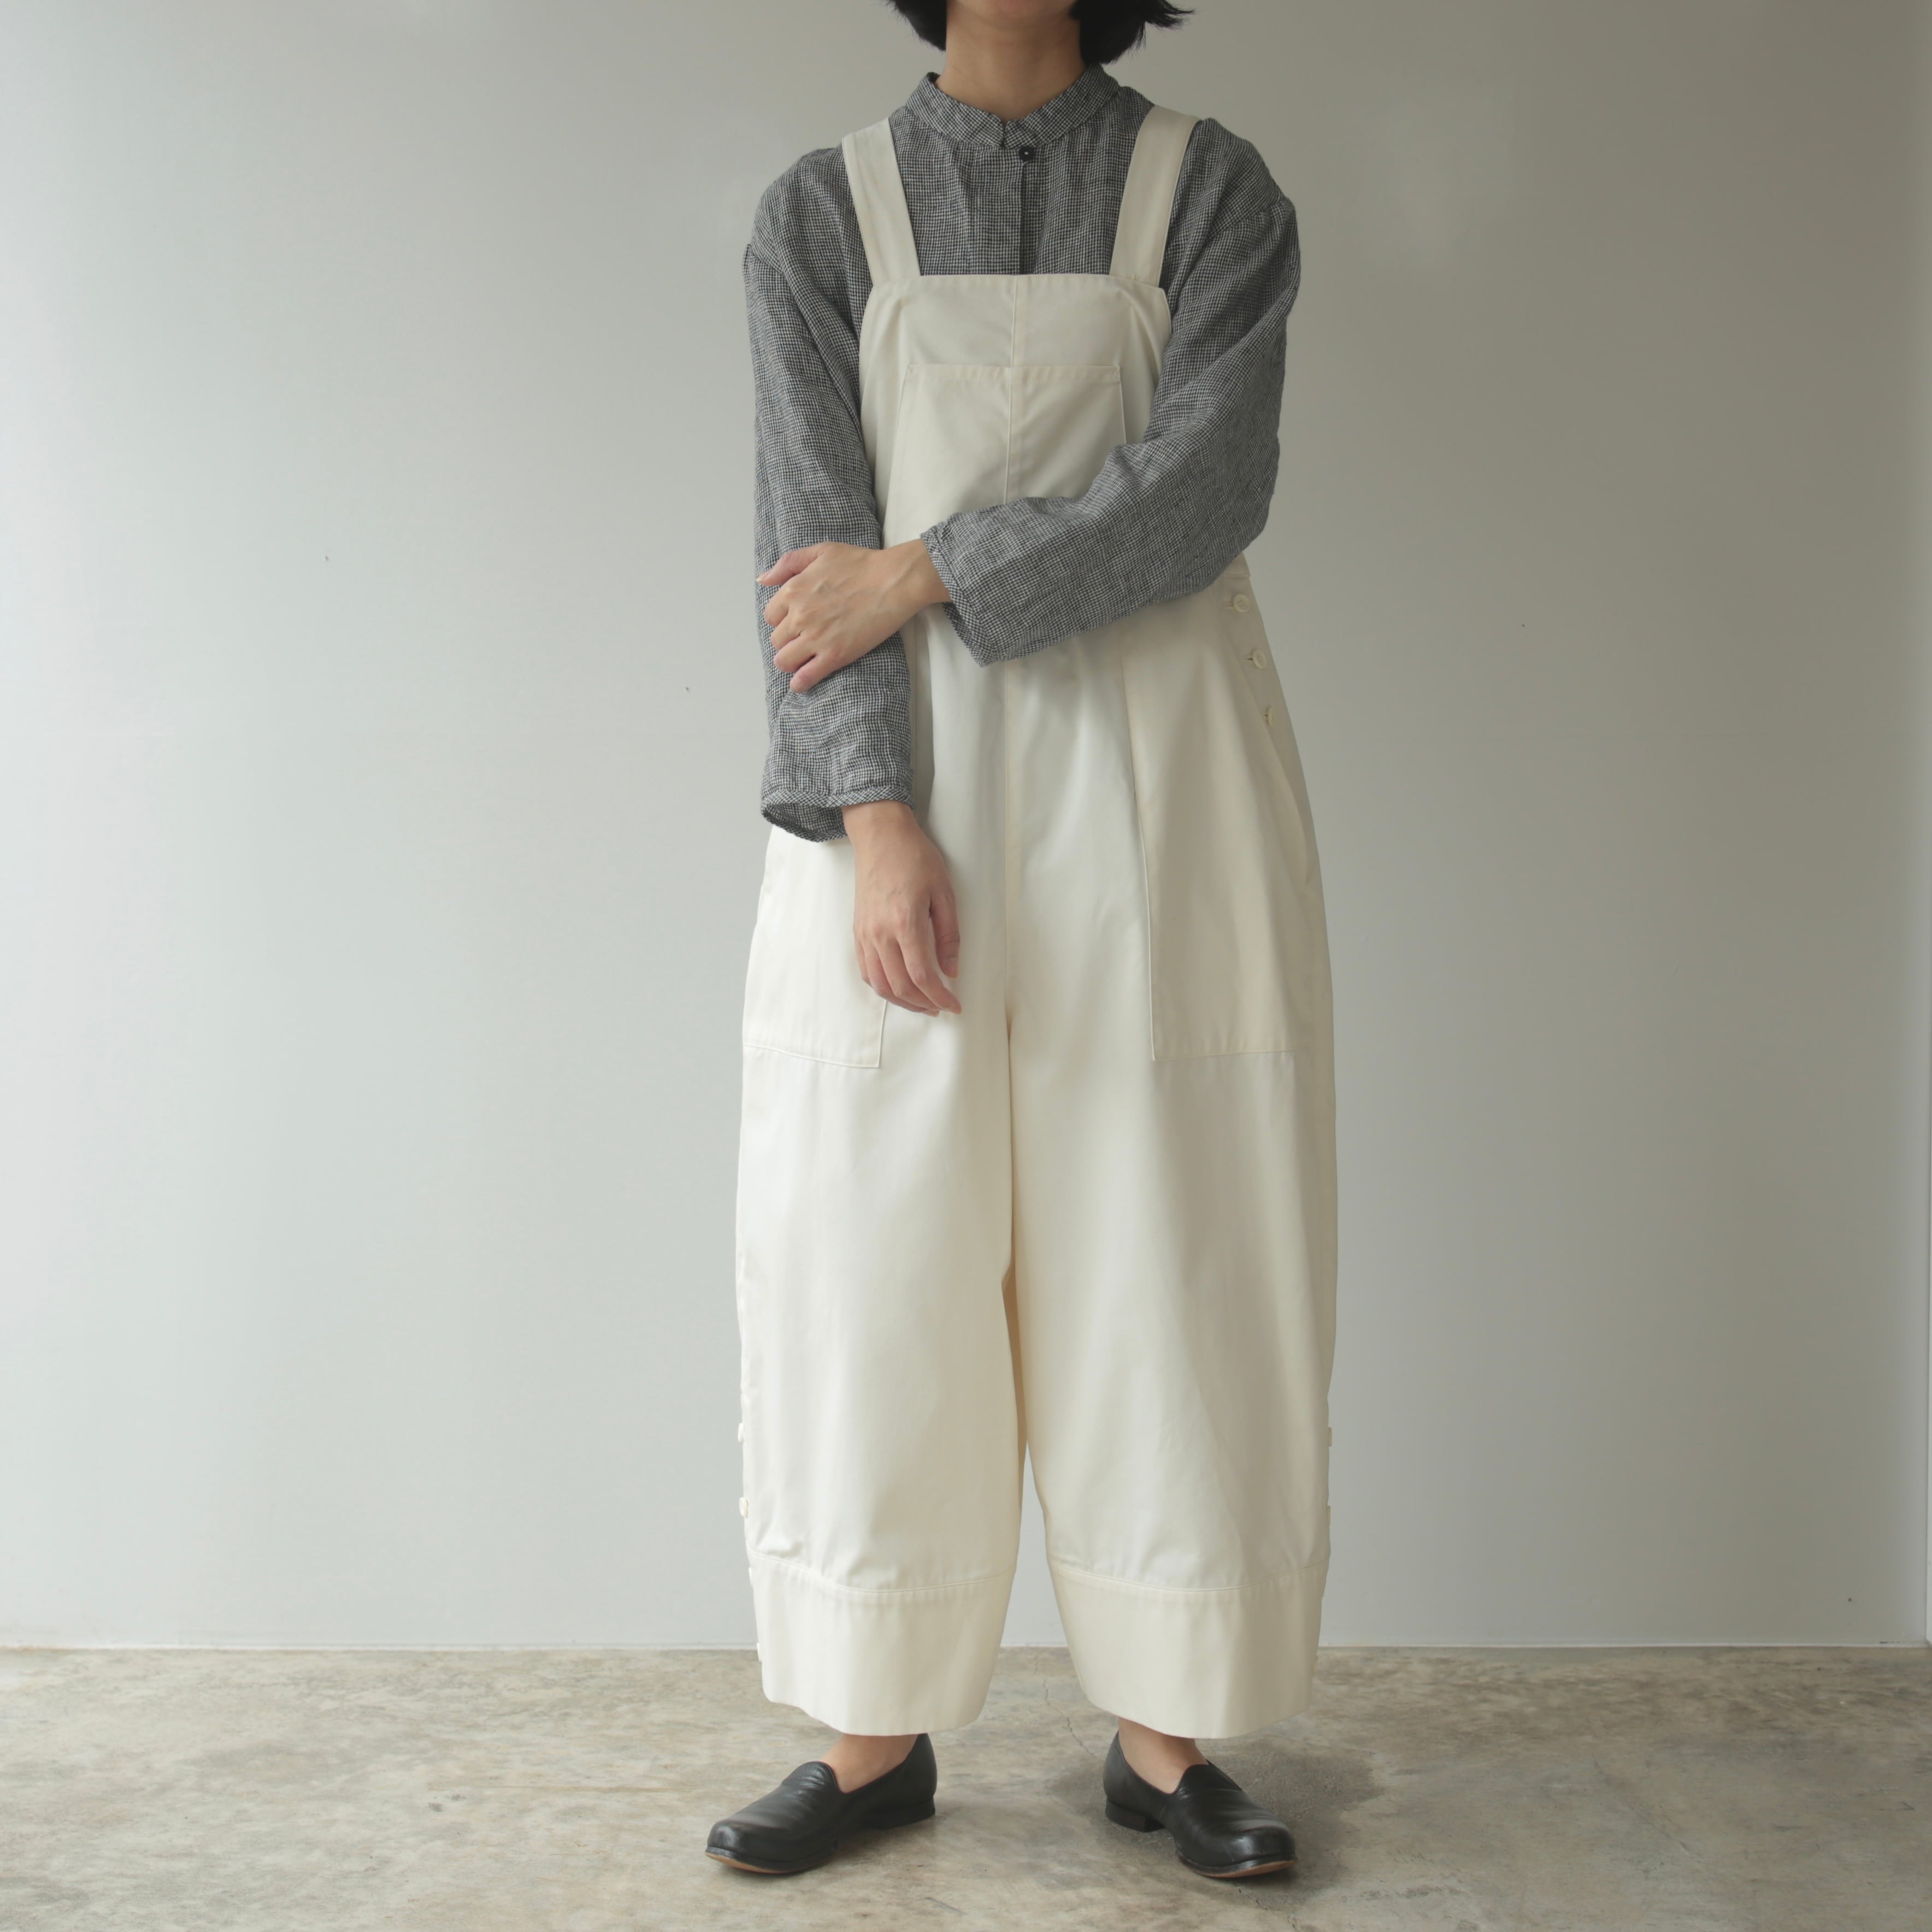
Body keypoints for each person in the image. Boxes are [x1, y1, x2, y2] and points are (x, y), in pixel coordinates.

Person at [708, 0, 1336, 1884]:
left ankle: (1168, 1734)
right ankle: (869, 1732)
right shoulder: (818, 215)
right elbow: (806, 556)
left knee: (1170, 1238)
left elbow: (1206, 493)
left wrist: (930, 568)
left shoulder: (1213, 194)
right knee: (873, 1250)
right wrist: (874, 819)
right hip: (908, 798)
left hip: (1170, 789)